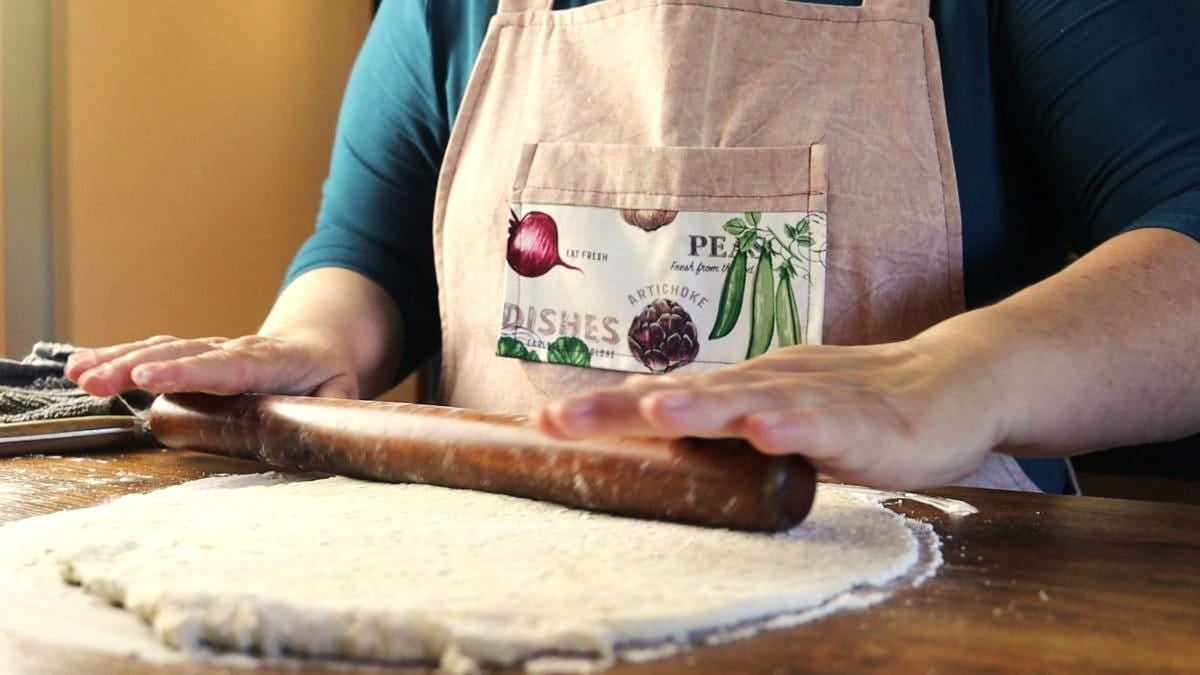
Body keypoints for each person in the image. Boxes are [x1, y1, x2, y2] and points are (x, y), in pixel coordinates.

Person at [65, 0, 1200, 493]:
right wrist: (314, 342)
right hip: (510, 603)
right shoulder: (451, 12)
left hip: (939, 611)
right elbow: (371, 252)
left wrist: (955, 375)